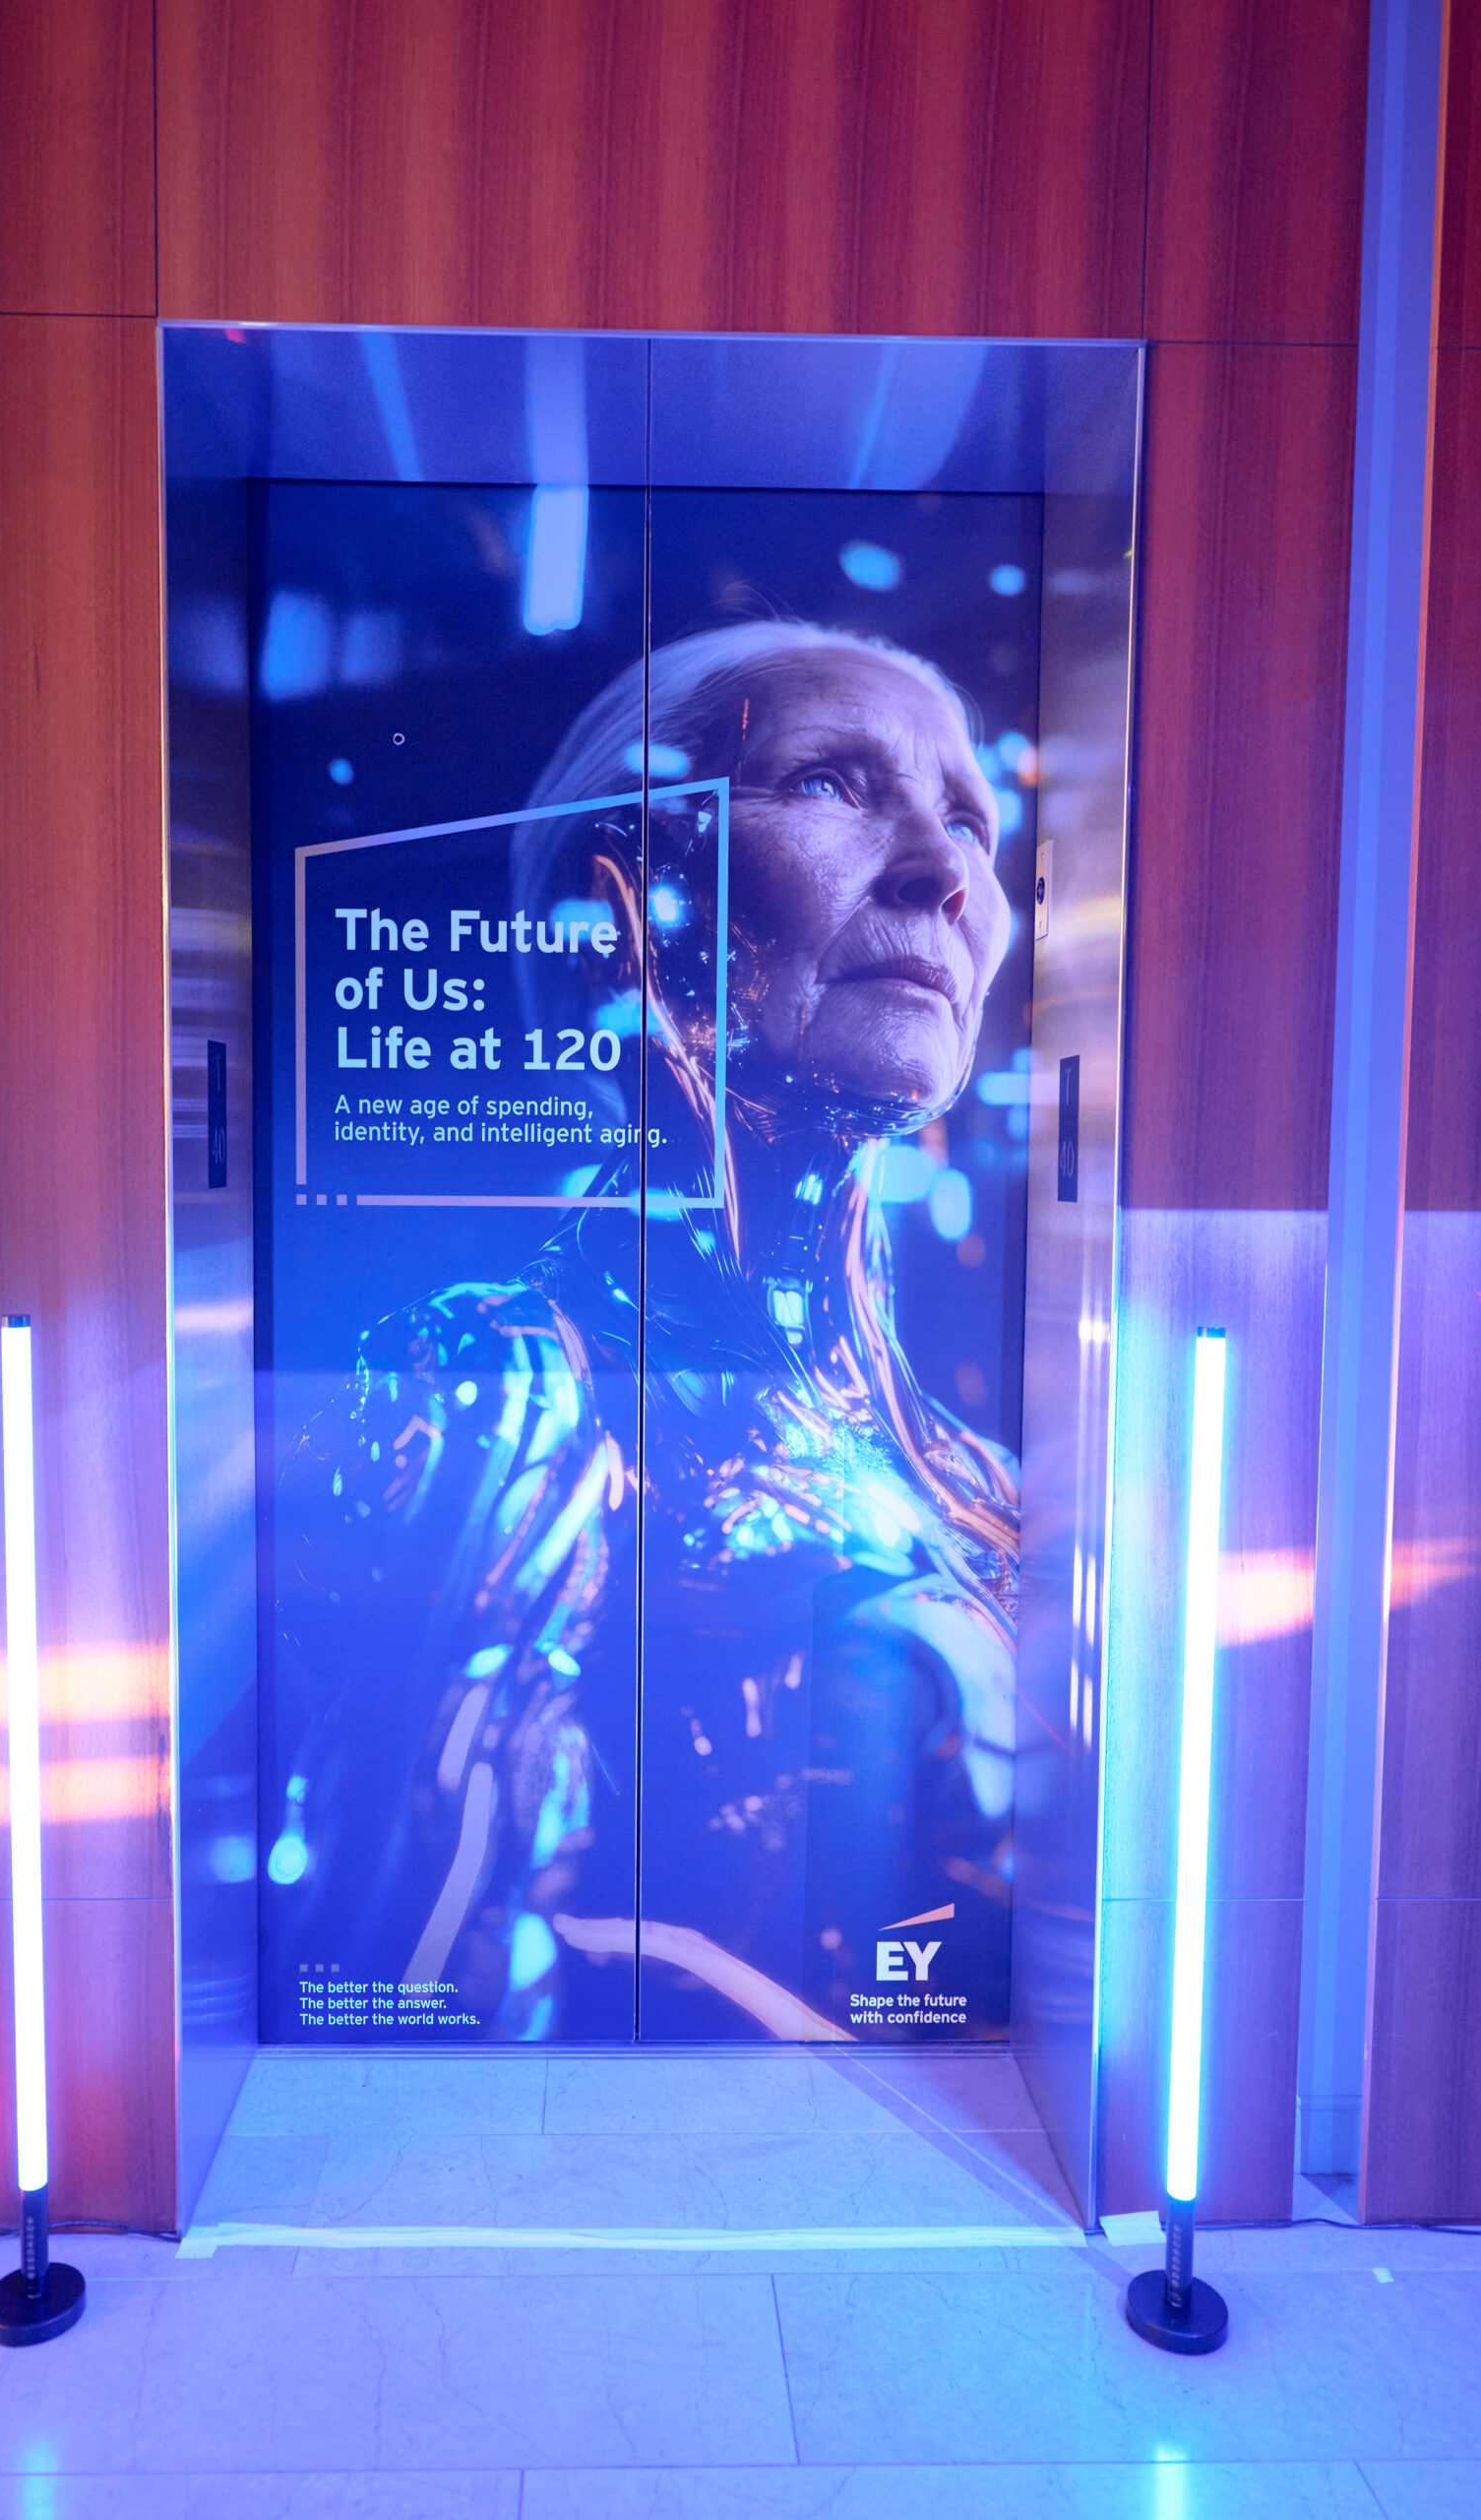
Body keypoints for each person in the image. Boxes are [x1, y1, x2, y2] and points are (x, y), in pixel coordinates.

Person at [270, 621, 1021, 2043]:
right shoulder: (512, 1385)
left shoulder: (974, 1477)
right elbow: (430, 1967)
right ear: (621, 895)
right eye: (834, 784)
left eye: (973, 824)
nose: (944, 871)